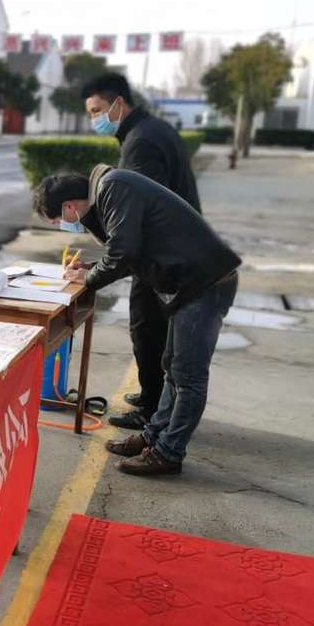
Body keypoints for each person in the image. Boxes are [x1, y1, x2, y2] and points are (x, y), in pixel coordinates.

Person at [34, 165, 240, 476]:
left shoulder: (113, 188)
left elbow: (123, 251)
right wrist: (89, 267)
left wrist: (89, 278)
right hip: (188, 284)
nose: (61, 225)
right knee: (172, 367)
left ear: (69, 206)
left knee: (188, 376)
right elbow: (133, 251)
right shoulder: (110, 191)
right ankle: (154, 436)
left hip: (205, 283)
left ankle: (169, 453)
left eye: (57, 220)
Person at [82, 72, 201, 432]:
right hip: (172, 246)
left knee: (147, 328)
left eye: (97, 110)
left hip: (162, 253)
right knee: (155, 330)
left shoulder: (141, 143)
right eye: (89, 113)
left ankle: (151, 408)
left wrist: (97, 271)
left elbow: (137, 209)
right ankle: (153, 395)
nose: (94, 120)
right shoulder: (150, 130)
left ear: (118, 102)